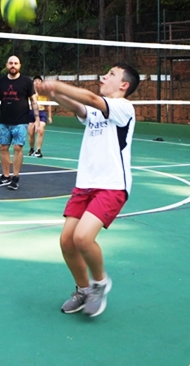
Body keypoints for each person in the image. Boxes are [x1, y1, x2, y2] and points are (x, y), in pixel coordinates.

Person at [35, 63, 140, 318]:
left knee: (82, 238)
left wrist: (57, 84)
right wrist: (53, 94)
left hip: (112, 185)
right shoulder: (96, 109)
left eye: (111, 74)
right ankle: (83, 290)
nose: (104, 76)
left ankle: (100, 283)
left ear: (124, 85)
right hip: (85, 184)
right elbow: (80, 107)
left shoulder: (123, 107)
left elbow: (91, 99)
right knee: (67, 241)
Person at [0, 56, 39, 191]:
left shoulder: (26, 81)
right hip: (4, 121)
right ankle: (6, 176)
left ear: (19, 65)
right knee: (3, 147)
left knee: (18, 147)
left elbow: (34, 101)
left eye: (16, 63)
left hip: (21, 121)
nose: (13, 65)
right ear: (7, 65)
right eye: (11, 63)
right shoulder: (0, 82)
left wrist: (37, 119)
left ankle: (15, 177)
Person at [28, 75, 53, 158]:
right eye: (35, 81)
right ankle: (31, 149)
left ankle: (38, 150)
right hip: (31, 113)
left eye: (39, 81)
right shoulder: (29, 91)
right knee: (31, 132)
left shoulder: (45, 92)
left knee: (40, 130)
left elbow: (49, 104)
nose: (37, 82)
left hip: (41, 112)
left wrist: (50, 116)